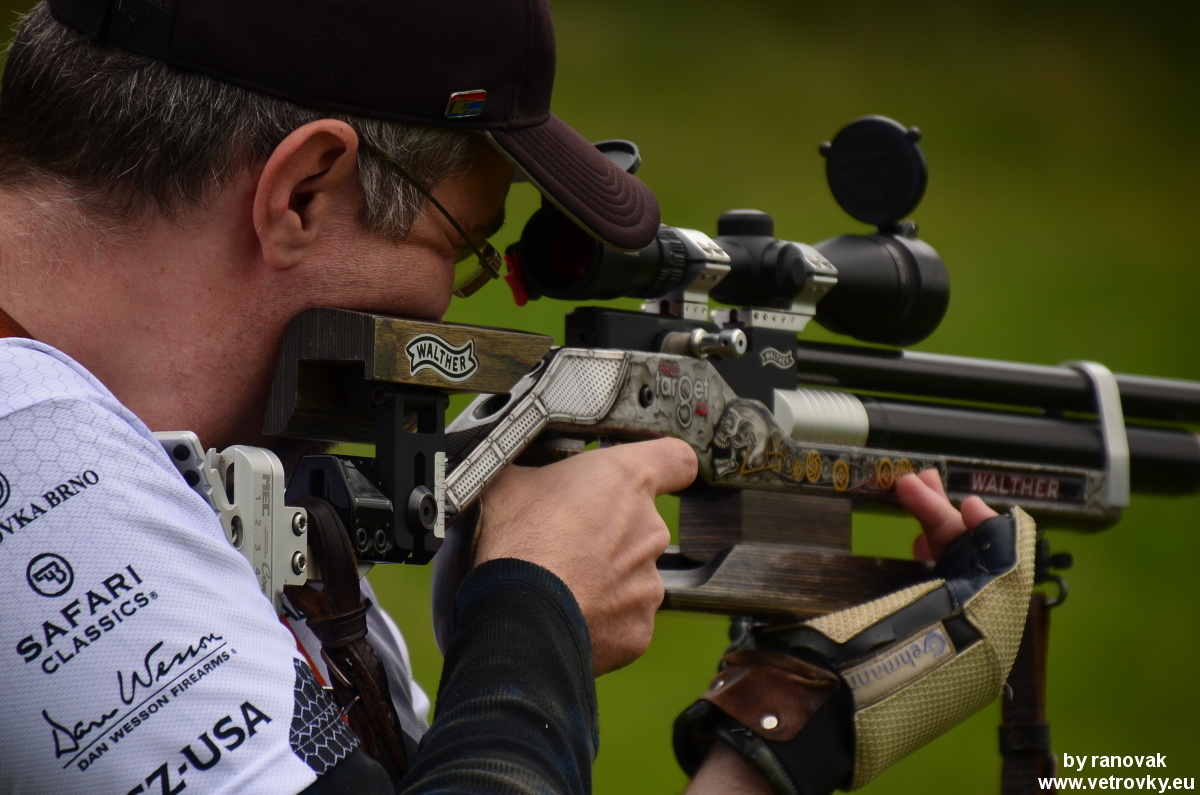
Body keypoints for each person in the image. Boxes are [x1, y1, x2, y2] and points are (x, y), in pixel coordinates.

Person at [0, 0, 1015, 792]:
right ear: (304, 190)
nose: (449, 303)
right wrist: (535, 609)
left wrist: (772, 741)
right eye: (464, 249)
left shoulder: (193, 484)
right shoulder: (31, 439)